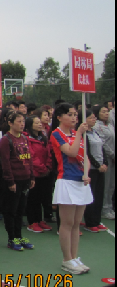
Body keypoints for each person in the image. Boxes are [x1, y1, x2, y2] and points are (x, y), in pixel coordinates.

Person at [50, 103, 92, 275]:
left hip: (81, 182)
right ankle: (67, 259)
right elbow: (72, 152)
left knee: (76, 223)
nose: (74, 117)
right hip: (66, 181)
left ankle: (74, 257)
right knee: (67, 223)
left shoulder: (75, 134)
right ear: (59, 117)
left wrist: (87, 173)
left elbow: (84, 157)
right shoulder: (56, 134)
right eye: (70, 114)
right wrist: (80, 133)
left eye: (75, 114)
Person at [0, 111, 35, 252]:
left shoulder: (24, 138)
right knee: (11, 210)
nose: (22, 124)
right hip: (13, 180)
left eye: (23, 121)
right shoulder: (6, 140)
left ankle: (19, 236)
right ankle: (11, 238)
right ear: (10, 123)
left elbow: (29, 158)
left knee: (20, 210)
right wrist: (10, 181)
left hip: (25, 179)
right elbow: (5, 162)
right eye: (19, 121)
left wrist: (32, 176)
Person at [24, 115, 53, 234]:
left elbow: (49, 153)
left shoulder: (43, 138)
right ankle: (32, 222)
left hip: (44, 173)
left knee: (42, 197)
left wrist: (48, 166)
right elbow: (32, 156)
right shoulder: (26, 139)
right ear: (30, 125)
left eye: (40, 122)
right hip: (34, 173)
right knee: (33, 198)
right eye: (36, 123)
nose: (40, 124)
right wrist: (42, 167)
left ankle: (40, 220)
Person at [84, 109, 108, 233]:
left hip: (100, 169)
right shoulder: (84, 135)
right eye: (91, 118)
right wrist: (97, 165)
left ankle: (97, 221)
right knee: (91, 195)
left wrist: (105, 163)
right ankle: (90, 222)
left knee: (99, 195)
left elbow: (102, 149)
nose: (94, 119)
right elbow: (87, 153)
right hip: (92, 169)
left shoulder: (95, 132)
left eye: (94, 117)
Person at [93, 104, 115, 220]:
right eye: (103, 112)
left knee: (112, 185)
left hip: (113, 158)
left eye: (107, 111)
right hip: (105, 158)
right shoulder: (97, 126)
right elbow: (104, 144)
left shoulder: (110, 125)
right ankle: (104, 208)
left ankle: (109, 207)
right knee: (106, 185)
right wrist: (112, 154)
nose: (106, 114)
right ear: (97, 114)